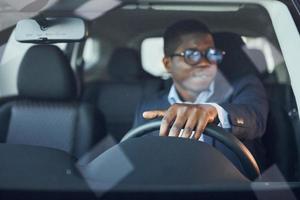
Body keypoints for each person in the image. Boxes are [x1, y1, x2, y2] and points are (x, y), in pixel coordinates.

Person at [133, 19, 269, 169]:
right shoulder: (148, 107)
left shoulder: (244, 87)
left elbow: (255, 118)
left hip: (231, 188)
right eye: (191, 55)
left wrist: (213, 111)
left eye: (211, 54)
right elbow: (135, 156)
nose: (205, 63)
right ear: (168, 64)